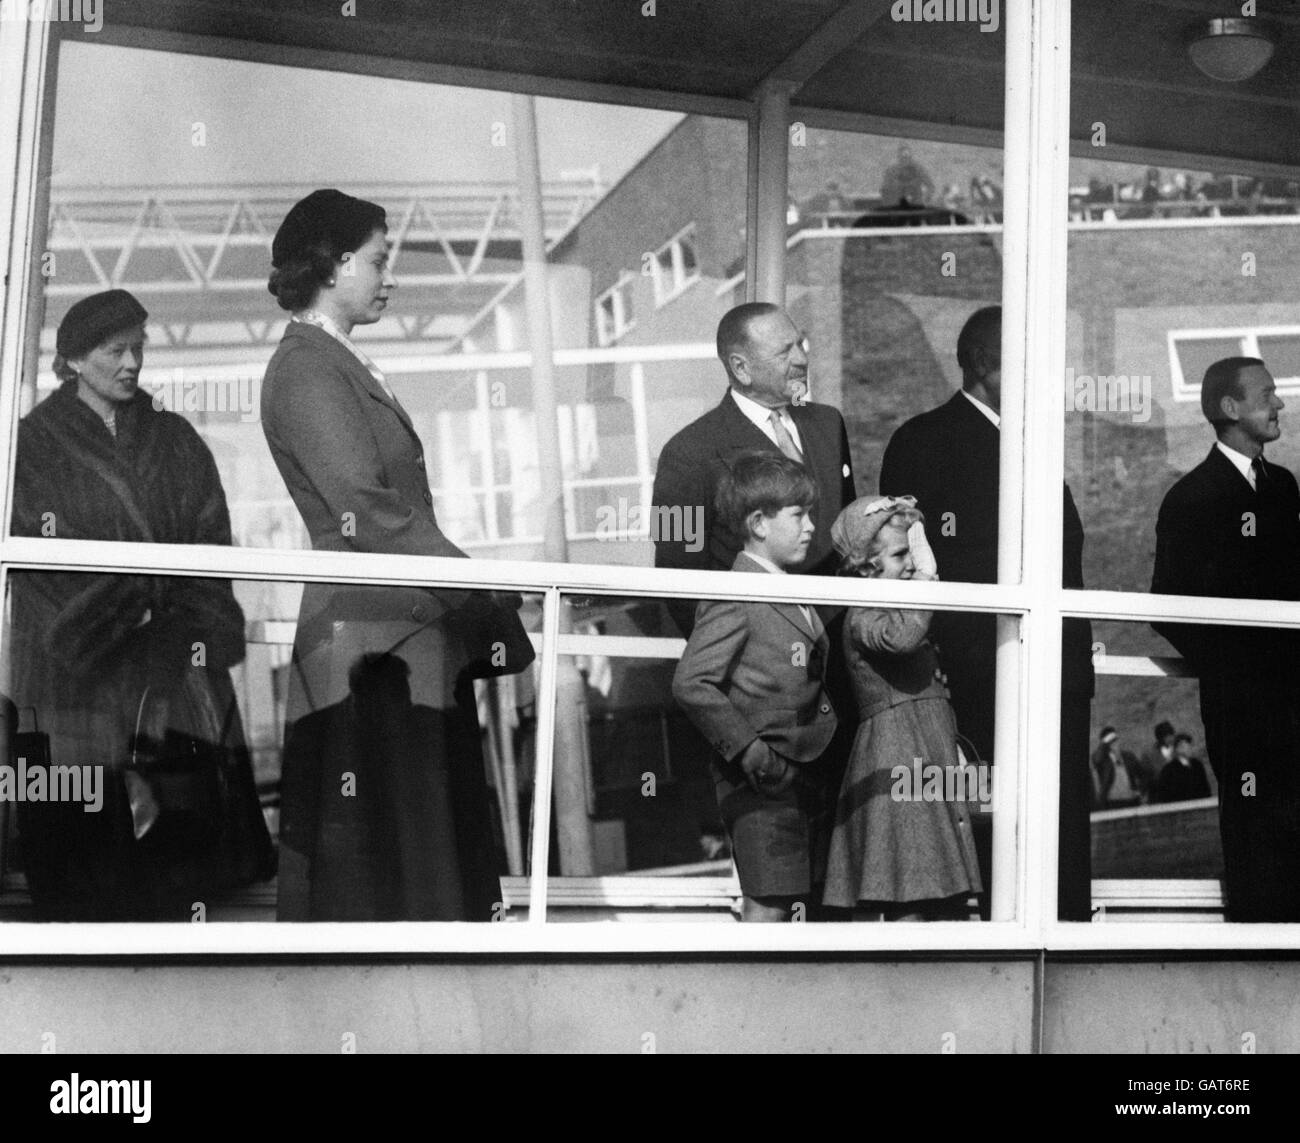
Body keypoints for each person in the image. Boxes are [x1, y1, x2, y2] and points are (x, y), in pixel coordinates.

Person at [261, 189, 528, 921]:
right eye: (379, 261)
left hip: (398, 640)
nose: (390, 277)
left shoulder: (337, 360)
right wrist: (478, 590)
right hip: (372, 653)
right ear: (335, 264)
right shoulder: (308, 368)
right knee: (394, 869)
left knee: (421, 860)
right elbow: (364, 508)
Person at [8, 289, 273, 919]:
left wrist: (179, 622)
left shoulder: (176, 439)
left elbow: (211, 543)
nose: (131, 363)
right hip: (75, 680)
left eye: (138, 349)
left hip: (171, 671)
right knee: (88, 859)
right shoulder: (31, 447)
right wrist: (132, 606)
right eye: (114, 350)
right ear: (72, 359)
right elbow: (37, 563)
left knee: (182, 864)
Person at [878, 305, 1095, 920]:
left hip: (1056, 678)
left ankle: (1067, 947)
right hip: (976, 678)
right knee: (988, 834)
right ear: (982, 364)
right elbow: (905, 565)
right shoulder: (923, 442)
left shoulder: (1033, 442)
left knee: (1061, 835)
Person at [1151, 356, 1300, 921]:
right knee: (1260, 842)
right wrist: (1241, 666)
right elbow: (1169, 607)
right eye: (1267, 394)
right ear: (1229, 409)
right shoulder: (1192, 498)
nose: (1279, 403)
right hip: (1245, 711)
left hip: (1293, 705)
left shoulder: (1284, 488)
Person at [670, 453, 838, 922]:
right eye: (799, 515)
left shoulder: (789, 586)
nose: (810, 527)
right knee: (768, 913)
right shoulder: (737, 592)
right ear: (759, 523)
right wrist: (751, 754)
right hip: (762, 786)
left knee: (803, 917)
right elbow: (692, 682)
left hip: (805, 781)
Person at [652, 301, 857, 638]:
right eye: (784, 352)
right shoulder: (685, 453)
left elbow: (847, 534)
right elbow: (676, 577)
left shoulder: (828, 422)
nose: (802, 359)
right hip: (759, 660)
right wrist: (735, 659)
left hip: (842, 646)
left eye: (800, 344)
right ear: (741, 368)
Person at [822, 496, 981, 920]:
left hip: (927, 745)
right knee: (908, 883)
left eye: (911, 553)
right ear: (863, 565)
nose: (910, 564)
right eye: (899, 555)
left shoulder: (897, 604)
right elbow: (902, 638)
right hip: (896, 753)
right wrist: (927, 579)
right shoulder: (864, 612)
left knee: (938, 884)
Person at [1089, 727, 1145, 809]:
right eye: (1111, 742)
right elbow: (1096, 759)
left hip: (1131, 800)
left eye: (1116, 740)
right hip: (1112, 802)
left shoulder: (1129, 756)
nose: (1115, 744)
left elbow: (1143, 774)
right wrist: (1104, 744)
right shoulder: (1103, 760)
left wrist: (1140, 791)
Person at [1153, 733, 1213, 804]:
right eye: (1185, 746)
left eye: (1190, 746)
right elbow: (1164, 794)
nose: (1190, 749)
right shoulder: (1169, 769)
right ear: (1177, 749)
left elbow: (1205, 787)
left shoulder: (1197, 765)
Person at [1139, 720, 1177, 792]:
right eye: (1166, 736)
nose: (1170, 739)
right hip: (1159, 792)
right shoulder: (1149, 755)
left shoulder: (1178, 751)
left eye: (1171, 735)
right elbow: (1145, 778)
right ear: (1160, 738)